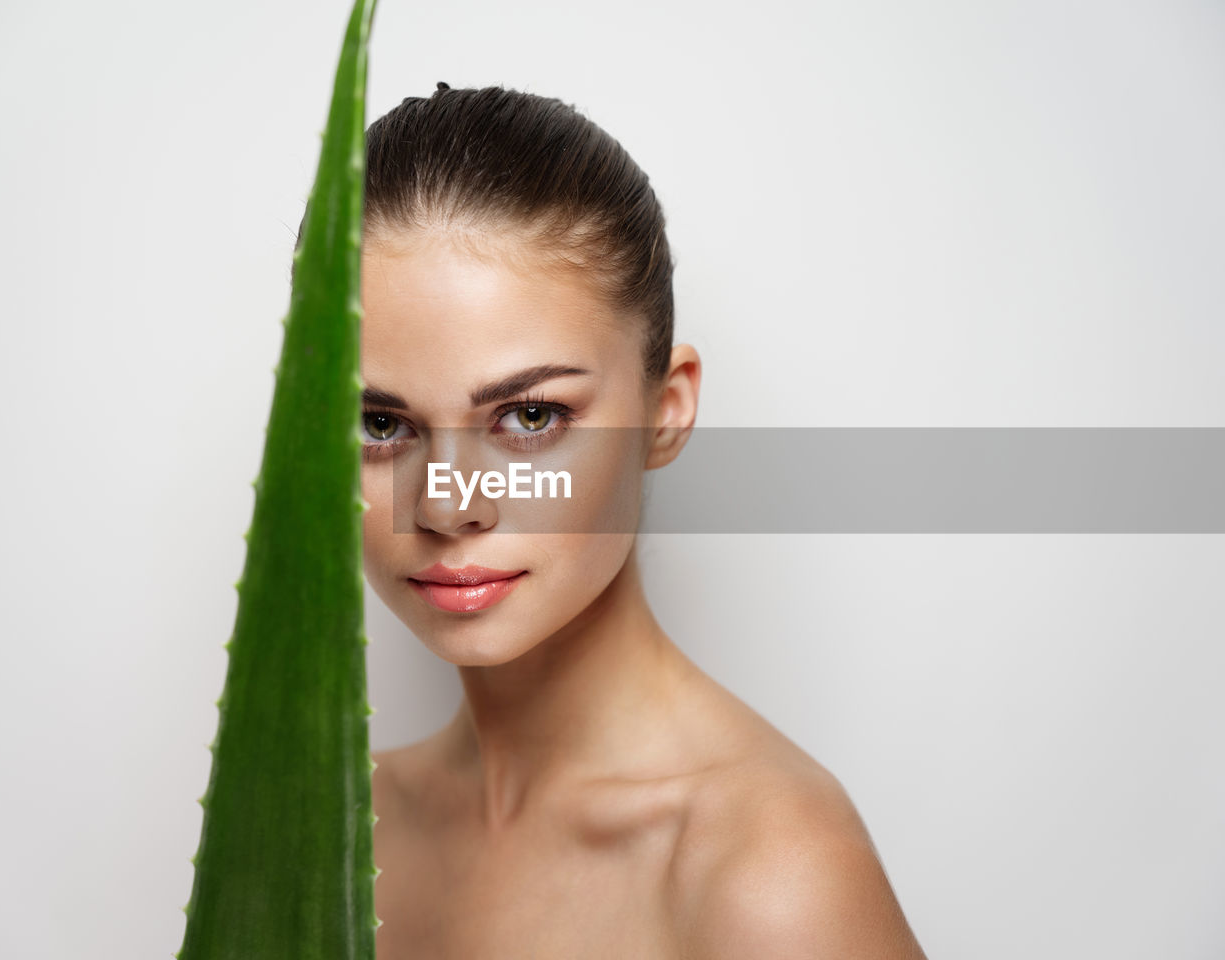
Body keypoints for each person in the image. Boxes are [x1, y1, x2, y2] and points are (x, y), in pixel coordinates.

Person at [334, 82, 926, 958]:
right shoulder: (343, 832)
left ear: (665, 410)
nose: (446, 505)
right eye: (381, 425)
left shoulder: (768, 874)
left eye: (530, 416)